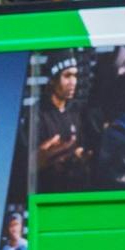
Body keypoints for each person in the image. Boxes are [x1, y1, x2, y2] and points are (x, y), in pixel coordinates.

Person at [34, 55, 90, 193]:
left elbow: (82, 147)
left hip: (76, 192)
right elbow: (30, 163)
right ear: (53, 80)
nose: (73, 82)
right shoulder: (37, 114)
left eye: (75, 76)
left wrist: (81, 156)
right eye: (67, 76)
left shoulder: (76, 112)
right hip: (49, 194)